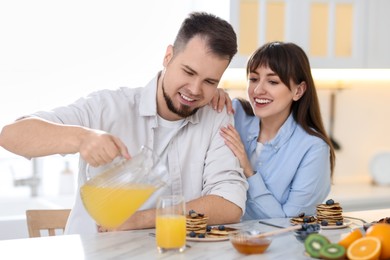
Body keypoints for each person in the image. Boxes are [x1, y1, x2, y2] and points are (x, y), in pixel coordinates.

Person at [0, 12, 248, 234]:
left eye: (209, 81)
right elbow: (11, 135)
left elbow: (229, 204)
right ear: (168, 56)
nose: (194, 90)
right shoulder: (109, 107)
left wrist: (140, 220)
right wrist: (81, 138)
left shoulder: (216, 117)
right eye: (189, 72)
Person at [220, 41, 335, 220]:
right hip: (222, 241)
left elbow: (288, 223)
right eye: (254, 79)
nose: (258, 90)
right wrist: (212, 94)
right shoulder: (235, 114)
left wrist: (248, 170)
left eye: (273, 81)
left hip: (279, 246)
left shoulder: (313, 148)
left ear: (298, 90)